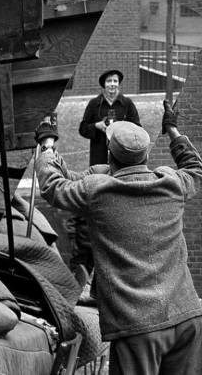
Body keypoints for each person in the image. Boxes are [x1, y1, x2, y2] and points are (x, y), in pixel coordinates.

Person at [34, 101, 202, 375]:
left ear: (109, 155)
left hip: (138, 327)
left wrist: (47, 144)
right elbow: (196, 169)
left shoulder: (98, 191)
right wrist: (172, 129)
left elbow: (53, 186)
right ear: (146, 156)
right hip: (186, 317)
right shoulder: (171, 183)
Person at [70, 69, 141, 274]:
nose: (112, 85)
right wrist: (98, 127)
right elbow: (83, 128)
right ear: (104, 85)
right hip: (100, 157)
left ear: (119, 85)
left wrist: (121, 127)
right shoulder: (94, 104)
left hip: (120, 159)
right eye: (109, 81)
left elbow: (137, 127)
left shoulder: (126, 104)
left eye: (115, 81)